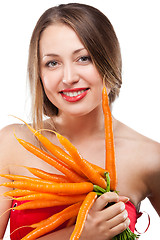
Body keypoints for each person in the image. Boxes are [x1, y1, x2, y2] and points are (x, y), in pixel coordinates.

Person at [0, 3, 159, 240]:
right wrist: (79, 234)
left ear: (109, 61)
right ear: (40, 72)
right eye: (52, 63)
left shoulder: (149, 157)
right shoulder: (12, 143)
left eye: (83, 58)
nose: (69, 77)